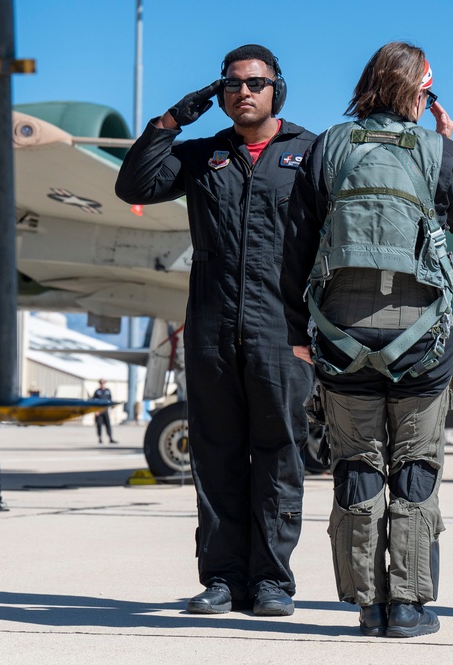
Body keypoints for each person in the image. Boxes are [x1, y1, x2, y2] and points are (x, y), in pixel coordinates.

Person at [283, 42, 453, 638]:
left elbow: (297, 243)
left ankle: (367, 603)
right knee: (416, 467)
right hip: (420, 341)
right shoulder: (436, 148)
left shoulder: (329, 146)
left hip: (340, 338)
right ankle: (407, 605)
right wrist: (451, 144)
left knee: (356, 464)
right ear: (421, 94)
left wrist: (301, 333)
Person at [115, 44, 315, 617]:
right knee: (216, 455)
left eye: (254, 83)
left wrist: (318, 331)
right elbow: (134, 187)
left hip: (283, 333)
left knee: (280, 457)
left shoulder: (312, 153)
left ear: (277, 88)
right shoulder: (203, 155)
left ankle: (273, 580)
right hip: (211, 331)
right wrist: (171, 121)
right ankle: (223, 578)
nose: (243, 92)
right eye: (231, 84)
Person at [92, 379, 118, 444]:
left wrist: (112, 408)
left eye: (103, 382)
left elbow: (110, 400)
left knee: (108, 424)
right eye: (101, 383)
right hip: (99, 410)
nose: (102, 384)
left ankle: (110, 438)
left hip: (106, 410)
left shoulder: (107, 391)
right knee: (99, 424)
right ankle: (100, 438)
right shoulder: (97, 391)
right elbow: (94, 401)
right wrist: (95, 411)